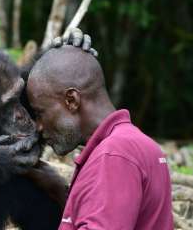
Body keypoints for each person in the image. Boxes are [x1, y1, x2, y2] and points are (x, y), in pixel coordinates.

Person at [26, 33, 174, 230]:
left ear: (71, 100)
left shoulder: (114, 155)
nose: (39, 126)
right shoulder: (137, 144)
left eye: (39, 113)